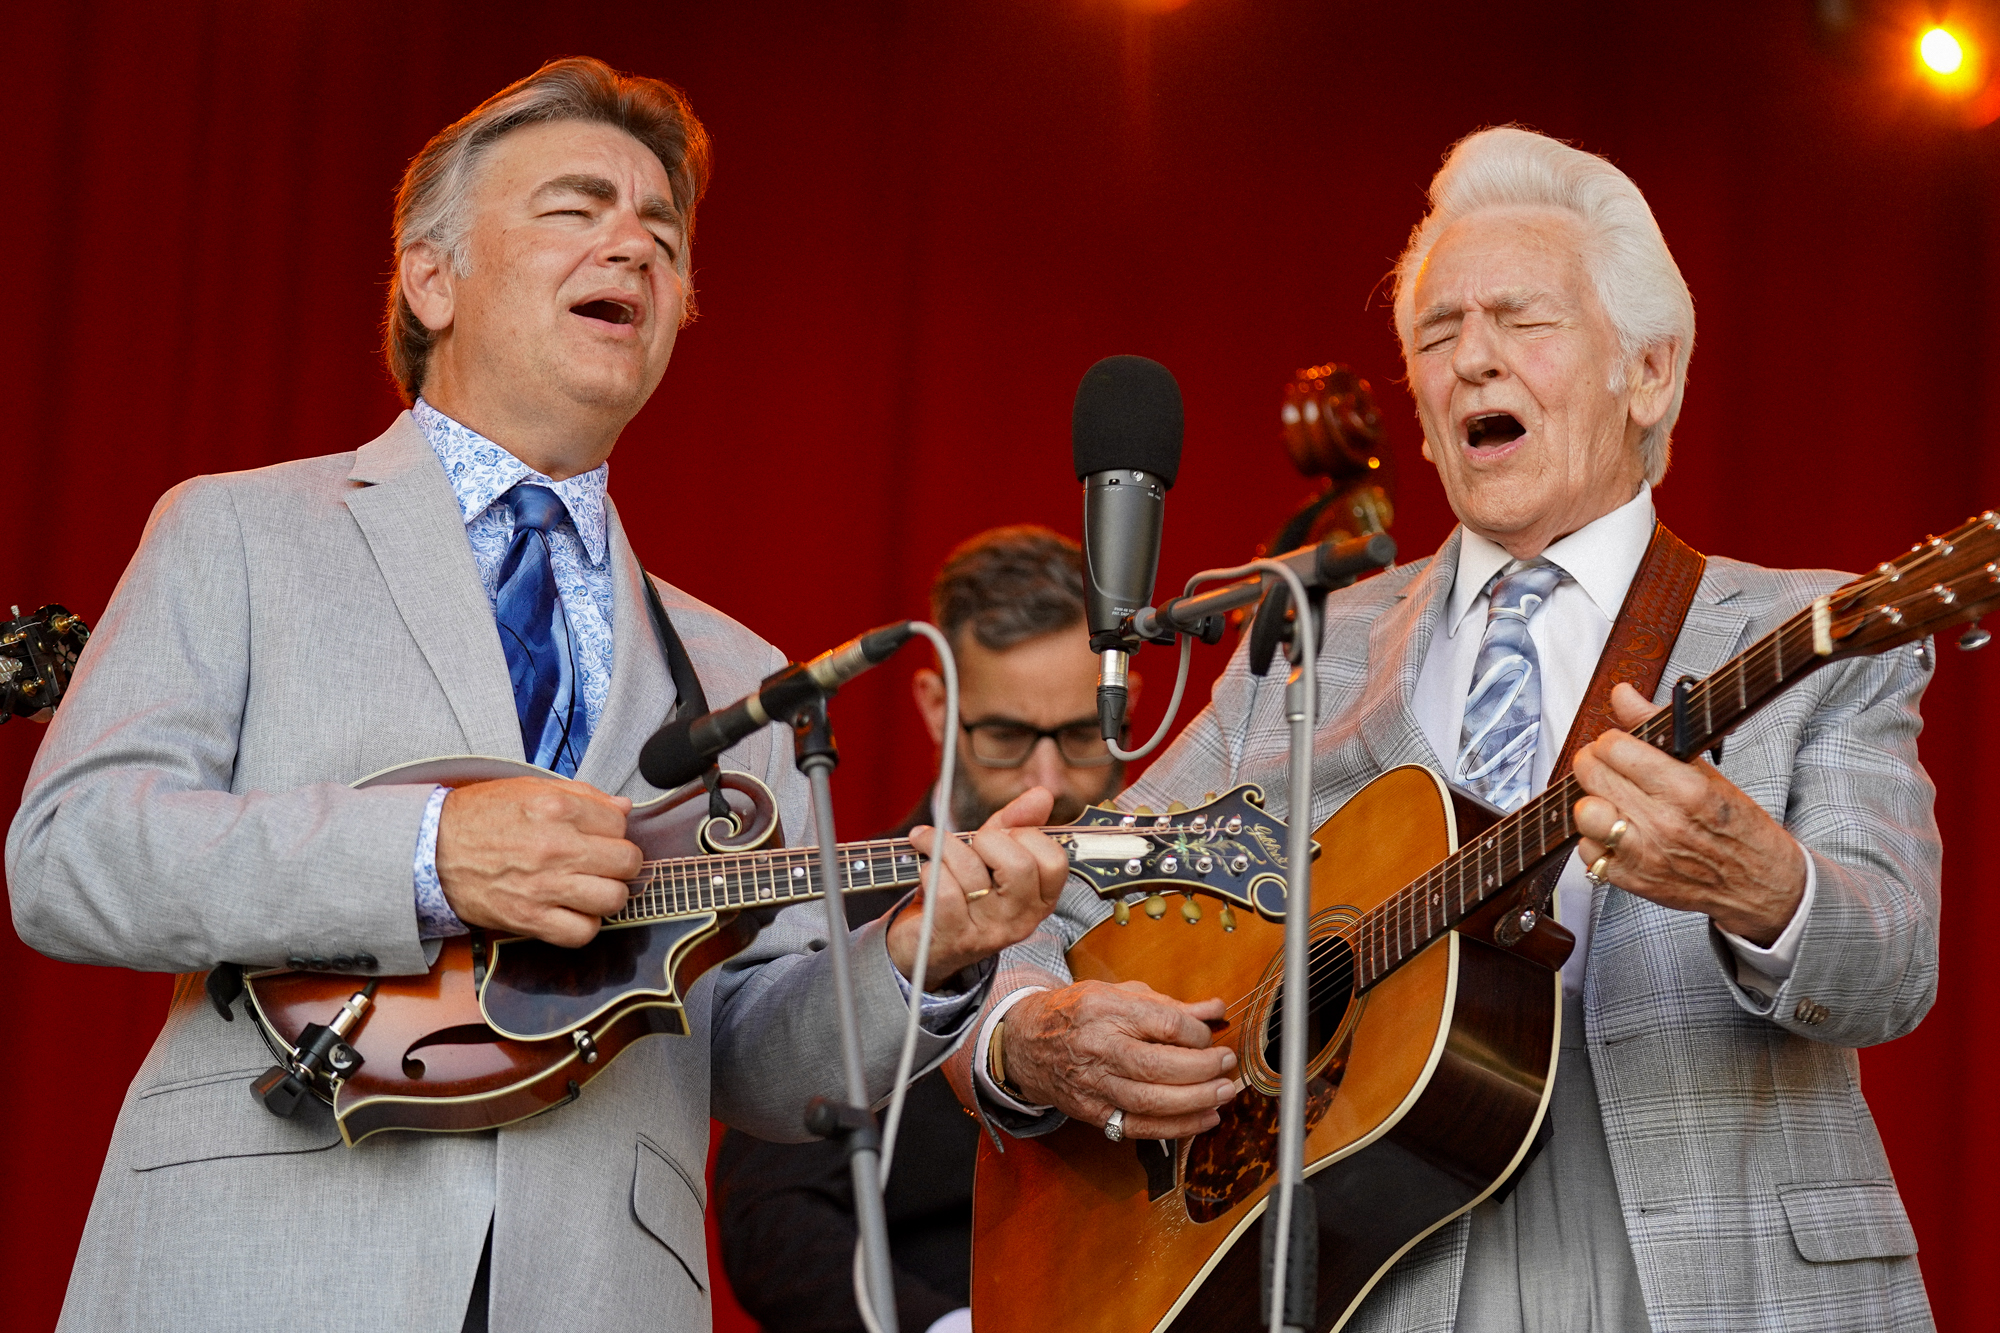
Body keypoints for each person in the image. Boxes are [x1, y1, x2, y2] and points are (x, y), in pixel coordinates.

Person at [5, 59, 1070, 1333]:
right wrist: (424, 854)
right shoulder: (236, 531)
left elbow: (760, 1064)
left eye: (663, 235)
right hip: (262, 1254)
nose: (633, 241)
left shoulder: (744, 677)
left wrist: (920, 956)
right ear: (431, 277)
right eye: (578, 207)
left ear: (678, 314)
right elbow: (70, 854)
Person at [948, 126, 1938, 1331]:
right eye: (1435, 336)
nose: (1471, 361)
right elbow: (1052, 897)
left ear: (1651, 372)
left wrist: (1762, 884)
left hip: (1695, 1270)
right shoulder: (1300, 647)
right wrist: (1024, 1036)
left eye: (1521, 322)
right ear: (1415, 413)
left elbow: (1890, 959)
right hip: (1378, 1272)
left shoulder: (1804, 632)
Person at [715, 525, 1120, 1333]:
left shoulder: (1179, 906)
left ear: (1123, 704)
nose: (1047, 780)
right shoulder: (850, 919)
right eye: (1006, 735)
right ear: (938, 707)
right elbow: (774, 1212)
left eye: (1080, 735)